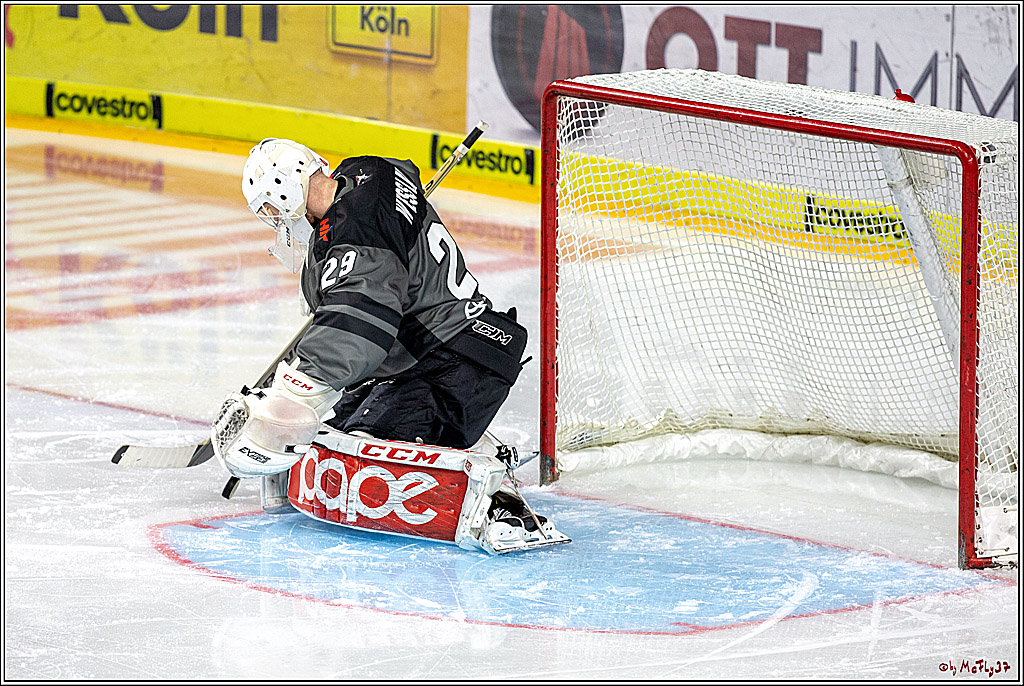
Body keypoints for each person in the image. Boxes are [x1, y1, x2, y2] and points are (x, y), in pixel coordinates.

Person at [213, 138, 563, 552]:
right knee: (330, 434)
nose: (274, 221)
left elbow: (360, 320)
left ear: (284, 188)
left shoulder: (356, 225)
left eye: (270, 209)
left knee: (365, 452)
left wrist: (293, 394)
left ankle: (499, 499)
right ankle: (475, 444)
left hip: (461, 355)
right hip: (427, 356)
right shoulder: (364, 178)